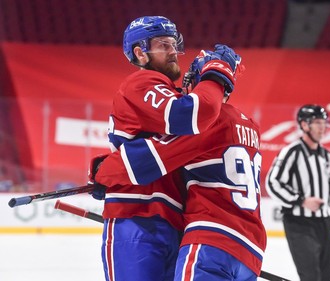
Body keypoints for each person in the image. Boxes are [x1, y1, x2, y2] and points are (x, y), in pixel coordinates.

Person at [89, 15, 242, 281]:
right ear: (140, 52)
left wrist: (108, 169)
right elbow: (192, 115)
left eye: (174, 44)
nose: (174, 52)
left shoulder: (168, 92)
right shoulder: (140, 82)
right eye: (163, 44)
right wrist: (216, 75)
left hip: (172, 221)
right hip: (135, 216)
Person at [265, 104, 330, 281]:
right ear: (304, 125)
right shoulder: (291, 152)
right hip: (299, 223)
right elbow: (272, 183)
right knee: (311, 277)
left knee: (328, 277)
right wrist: (301, 201)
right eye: (317, 122)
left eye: (324, 122)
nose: (322, 127)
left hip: (324, 224)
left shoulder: (328, 157)